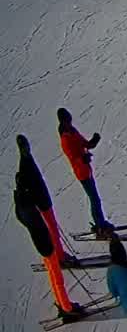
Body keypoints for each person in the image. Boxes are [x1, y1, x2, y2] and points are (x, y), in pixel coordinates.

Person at [14, 138, 78, 322]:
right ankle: (66, 307)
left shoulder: (21, 195)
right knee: (55, 274)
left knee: (54, 270)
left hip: (41, 235)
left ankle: (61, 260)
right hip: (43, 241)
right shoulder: (26, 202)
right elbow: (32, 220)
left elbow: (23, 216)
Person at [56, 109, 110, 234]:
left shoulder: (73, 131)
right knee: (94, 199)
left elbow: (84, 144)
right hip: (81, 173)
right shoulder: (65, 139)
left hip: (87, 170)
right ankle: (100, 225)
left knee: (95, 198)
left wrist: (93, 141)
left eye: (70, 120)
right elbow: (72, 157)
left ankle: (101, 223)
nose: (70, 123)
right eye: (67, 121)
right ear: (63, 122)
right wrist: (83, 159)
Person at [16, 136, 69, 261]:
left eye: (27, 146)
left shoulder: (28, 161)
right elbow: (27, 188)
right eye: (24, 147)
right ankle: (59, 256)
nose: (27, 149)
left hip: (44, 200)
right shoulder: (25, 165)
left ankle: (60, 253)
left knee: (53, 228)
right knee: (52, 230)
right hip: (41, 203)